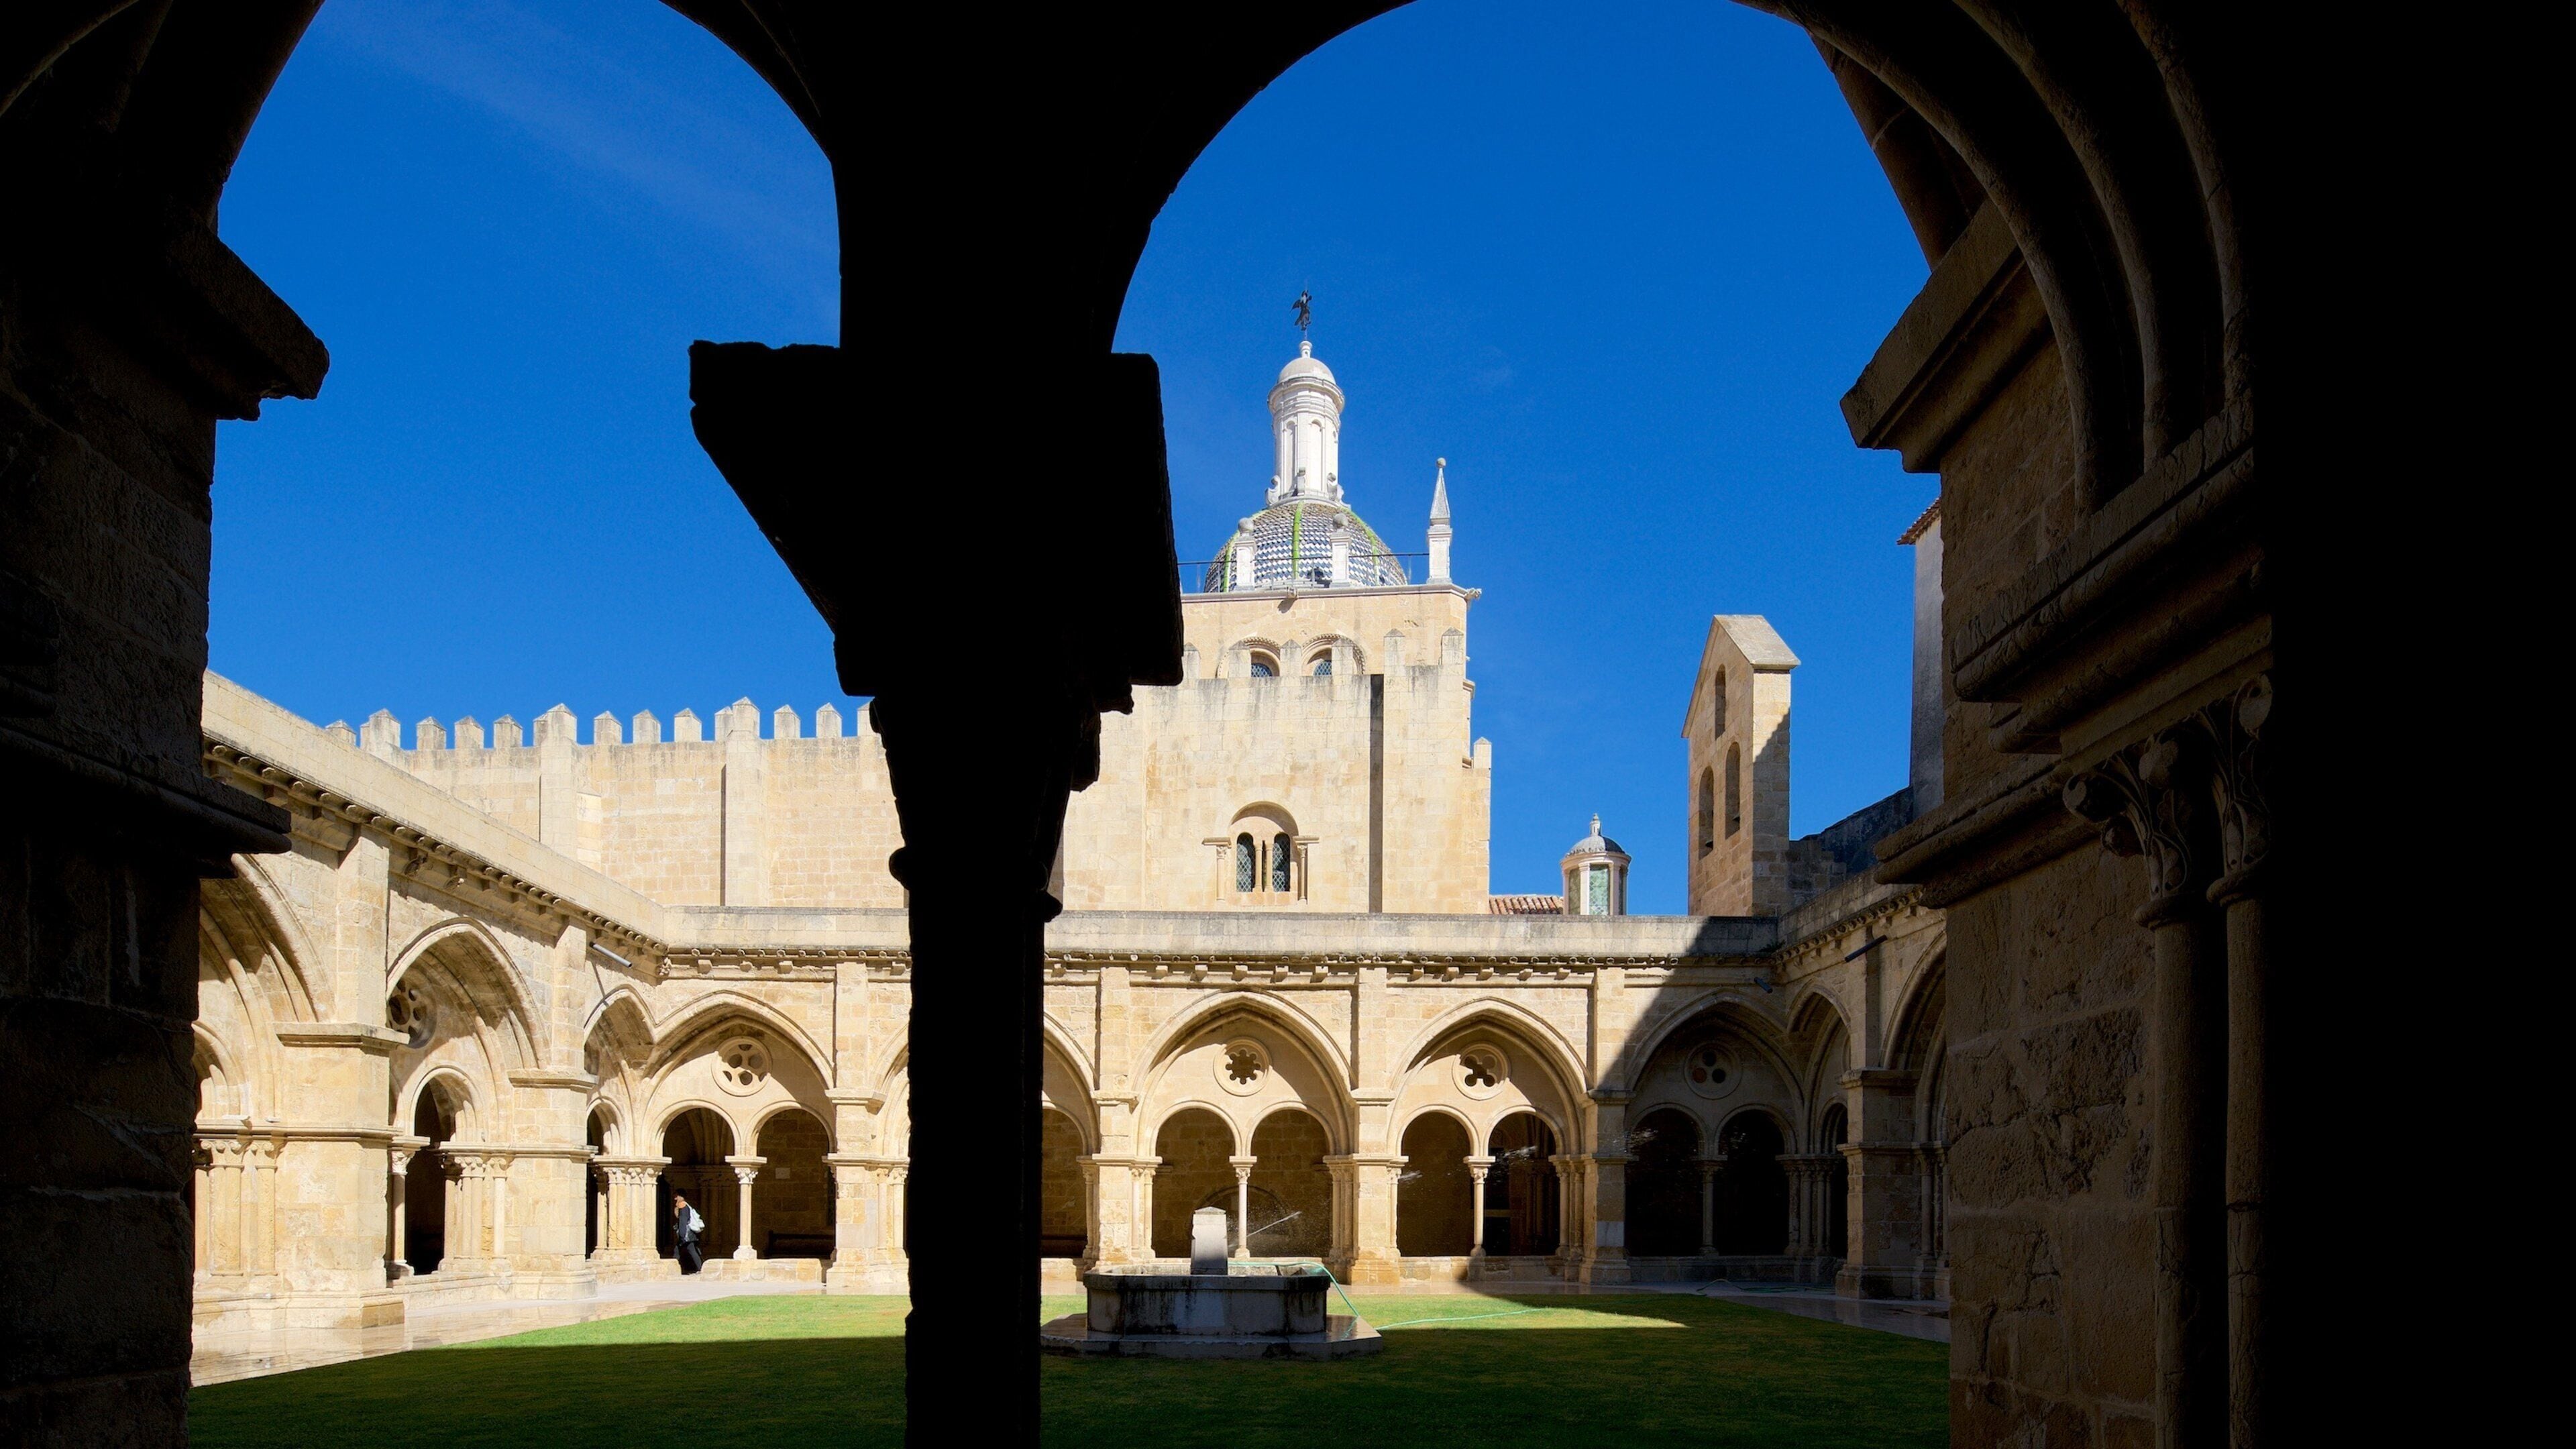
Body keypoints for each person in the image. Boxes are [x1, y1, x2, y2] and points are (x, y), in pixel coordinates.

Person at [674, 1191, 706, 1274]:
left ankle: (701, 1268)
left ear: (681, 1197)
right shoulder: (686, 1206)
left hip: (686, 1234)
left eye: (677, 1196)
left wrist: (682, 1234)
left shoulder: (683, 1206)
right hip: (687, 1233)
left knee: (691, 1250)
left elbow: (683, 1221)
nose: (675, 1199)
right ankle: (673, 1268)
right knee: (678, 1250)